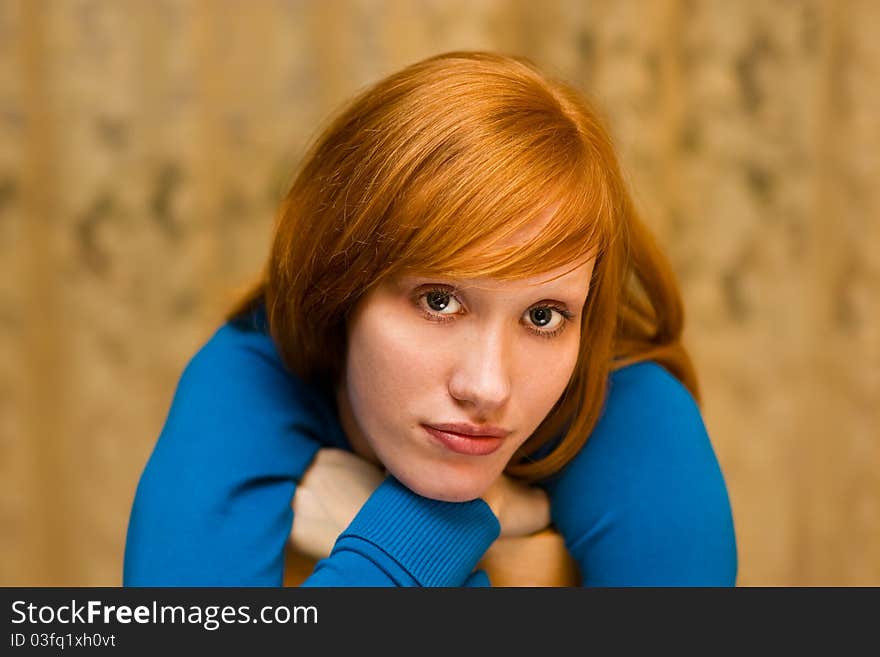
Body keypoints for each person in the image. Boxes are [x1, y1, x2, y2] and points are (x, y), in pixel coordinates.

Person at [123, 50, 737, 587]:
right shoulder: (250, 375)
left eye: (545, 315)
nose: (488, 388)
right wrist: (435, 529)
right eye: (439, 301)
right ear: (339, 290)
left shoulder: (625, 401)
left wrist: (409, 531)